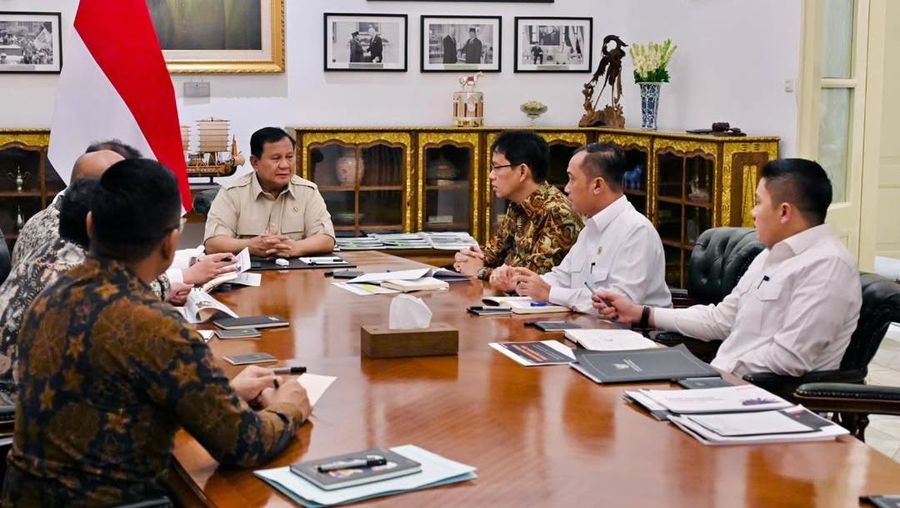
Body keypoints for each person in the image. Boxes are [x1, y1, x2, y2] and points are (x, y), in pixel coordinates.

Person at [1, 158, 311, 505]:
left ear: (90, 224)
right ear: (170, 243)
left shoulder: (50, 297)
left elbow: (113, 400)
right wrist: (290, 406)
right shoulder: (156, 326)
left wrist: (224, 394)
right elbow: (244, 443)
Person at [594, 159, 862, 377]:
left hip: (768, 403)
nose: (753, 212)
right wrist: (641, 313)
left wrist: (714, 374)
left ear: (784, 212)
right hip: (726, 384)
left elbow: (790, 358)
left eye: (758, 202)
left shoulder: (828, 266)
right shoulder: (771, 255)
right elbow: (720, 320)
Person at [511, 143, 671, 313]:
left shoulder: (637, 231)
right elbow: (562, 278)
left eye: (572, 179)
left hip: (635, 335)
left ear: (597, 186)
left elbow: (617, 305)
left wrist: (551, 293)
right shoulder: (590, 228)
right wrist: (521, 281)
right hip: (586, 328)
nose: (566, 188)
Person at [453, 131, 582, 288]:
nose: (491, 176)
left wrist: (479, 270)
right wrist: (470, 258)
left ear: (522, 171)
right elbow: (495, 252)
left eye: (497, 168)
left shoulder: (558, 214)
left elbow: (532, 281)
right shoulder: (517, 204)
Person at [204, 127, 336, 257]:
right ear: (255, 162)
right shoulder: (233, 192)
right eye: (276, 158)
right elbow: (213, 243)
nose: (285, 165)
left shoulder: (307, 191)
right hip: (247, 274)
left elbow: (326, 239)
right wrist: (250, 246)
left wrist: (294, 247)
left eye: (289, 157)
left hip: (295, 272)